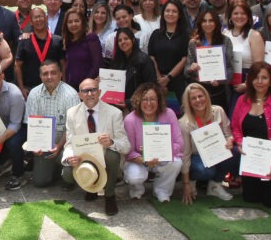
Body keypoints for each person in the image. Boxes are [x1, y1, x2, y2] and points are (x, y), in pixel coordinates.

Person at [61, 77, 129, 216]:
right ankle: (90, 187)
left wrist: (111, 142)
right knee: (67, 173)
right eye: (85, 91)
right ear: (79, 95)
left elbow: (126, 146)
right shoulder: (72, 113)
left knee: (113, 154)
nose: (90, 94)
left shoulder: (114, 113)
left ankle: (109, 194)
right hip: (85, 161)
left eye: (93, 90)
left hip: (106, 161)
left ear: (99, 92)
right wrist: (69, 158)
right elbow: (69, 143)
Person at [230, 62, 271, 207]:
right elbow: (236, 128)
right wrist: (239, 142)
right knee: (250, 198)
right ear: (250, 80)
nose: (259, 82)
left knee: (270, 201)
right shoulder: (242, 100)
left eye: (264, 78)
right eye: (256, 77)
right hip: (250, 160)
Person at [123, 83, 182, 202]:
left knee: (176, 162)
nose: (149, 103)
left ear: (159, 100)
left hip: (163, 157)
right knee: (134, 176)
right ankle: (136, 190)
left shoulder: (169, 113)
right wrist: (145, 159)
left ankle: (161, 190)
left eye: (152, 99)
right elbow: (128, 151)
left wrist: (162, 152)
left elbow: (179, 143)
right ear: (138, 101)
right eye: (144, 99)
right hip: (140, 159)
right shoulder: (130, 119)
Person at [24, 60, 78, 188]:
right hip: (44, 148)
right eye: (45, 74)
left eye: (53, 73)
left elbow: (72, 129)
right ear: (40, 76)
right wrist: (35, 146)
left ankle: (65, 172)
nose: (49, 77)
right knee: (40, 182)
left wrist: (59, 146)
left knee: (69, 175)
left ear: (60, 74)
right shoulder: (34, 94)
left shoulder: (71, 95)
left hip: (66, 146)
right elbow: (30, 125)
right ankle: (54, 169)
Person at [178, 82, 234, 203]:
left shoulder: (218, 111)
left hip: (216, 152)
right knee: (205, 170)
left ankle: (215, 185)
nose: (198, 100)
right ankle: (193, 181)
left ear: (206, 96)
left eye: (200, 96)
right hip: (196, 157)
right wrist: (186, 184)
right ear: (188, 102)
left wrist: (230, 141)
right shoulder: (184, 123)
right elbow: (185, 154)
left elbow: (228, 135)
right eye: (193, 98)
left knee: (235, 151)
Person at [185, 9, 234, 111]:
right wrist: (191, 68)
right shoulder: (194, 43)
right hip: (199, 91)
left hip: (218, 91)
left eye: (211, 20)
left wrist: (220, 81)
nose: (207, 24)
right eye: (204, 21)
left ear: (216, 22)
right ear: (200, 23)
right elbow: (186, 71)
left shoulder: (225, 41)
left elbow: (230, 69)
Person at [147, 0, 190, 109]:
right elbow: (152, 57)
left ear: (180, 15)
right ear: (163, 13)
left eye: (174, 11)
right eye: (167, 11)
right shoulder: (156, 34)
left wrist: (168, 78)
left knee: (180, 112)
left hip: (178, 80)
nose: (170, 14)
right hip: (157, 80)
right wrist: (159, 78)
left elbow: (184, 58)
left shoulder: (185, 35)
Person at [15, 7, 66, 94]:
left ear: (46, 18)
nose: (38, 20)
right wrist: (21, 87)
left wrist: (64, 83)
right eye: (35, 17)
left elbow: (63, 64)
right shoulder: (24, 41)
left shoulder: (57, 40)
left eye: (41, 16)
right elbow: (17, 65)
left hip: (55, 87)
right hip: (30, 88)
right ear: (31, 22)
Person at [225, 3, 265, 107]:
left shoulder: (254, 35)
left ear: (248, 16)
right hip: (227, 80)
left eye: (243, 13)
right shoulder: (224, 33)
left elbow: (259, 66)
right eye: (236, 13)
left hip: (246, 80)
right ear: (230, 16)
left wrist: (248, 84)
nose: (239, 16)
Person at [106, 27, 157, 106]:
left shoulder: (144, 60)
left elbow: (151, 86)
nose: (123, 42)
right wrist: (103, 80)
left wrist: (129, 102)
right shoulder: (116, 61)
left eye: (126, 39)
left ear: (133, 40)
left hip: (138, 104)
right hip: (117, 103)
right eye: (120, 40)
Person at [61, 8, 102, 90]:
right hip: (71, 88)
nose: (73, 24)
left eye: (76, 21)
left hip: (88, 88)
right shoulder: (67, 41)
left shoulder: (91, 38)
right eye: (70, 22)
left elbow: (97, 65)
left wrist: (85, 85)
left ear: (82, 22)